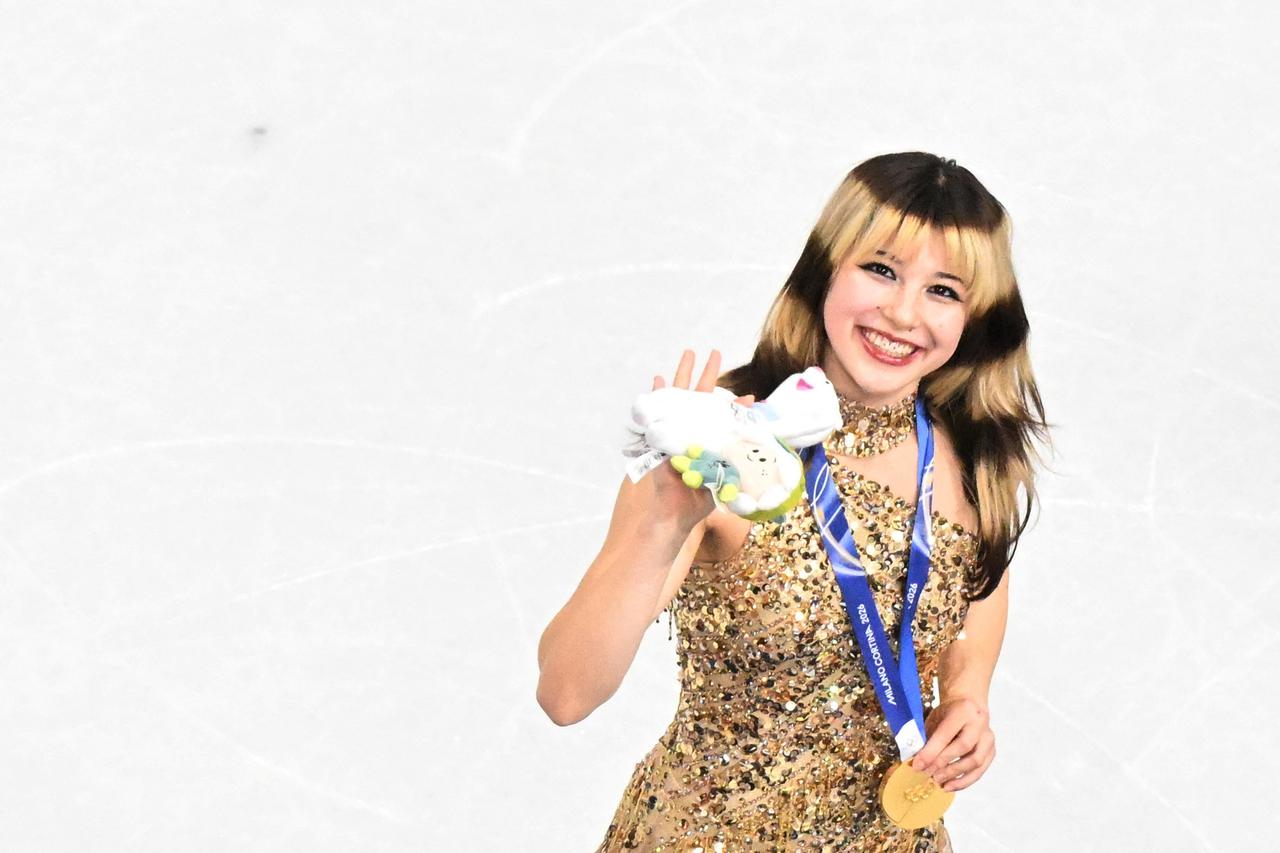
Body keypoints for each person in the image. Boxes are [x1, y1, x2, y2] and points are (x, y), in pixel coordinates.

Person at [536, 151, 1052, 851]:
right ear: (826, 269)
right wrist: (660, 524)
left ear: (974, 314)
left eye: (943, 290)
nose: (902, 313)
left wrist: (966, 698)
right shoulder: (721, 442)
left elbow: (975, 599)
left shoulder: (976, 466)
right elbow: (565, 693)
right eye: (881, 269)